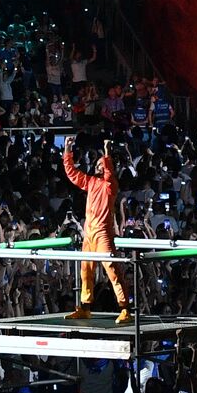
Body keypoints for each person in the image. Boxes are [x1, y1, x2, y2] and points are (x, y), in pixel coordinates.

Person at [61, 136, 131, 323]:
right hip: (89, 231)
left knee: (112, 269)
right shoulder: (91, 182)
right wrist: (68, 149)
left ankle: (125, 308)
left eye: (102, 164)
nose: (99, 166)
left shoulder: (111, 185)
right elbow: (71, 173)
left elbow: (108, 172)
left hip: (102, 232)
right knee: (86, 270)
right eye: (98, 164)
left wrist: (107, 152)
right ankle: (85, 307)